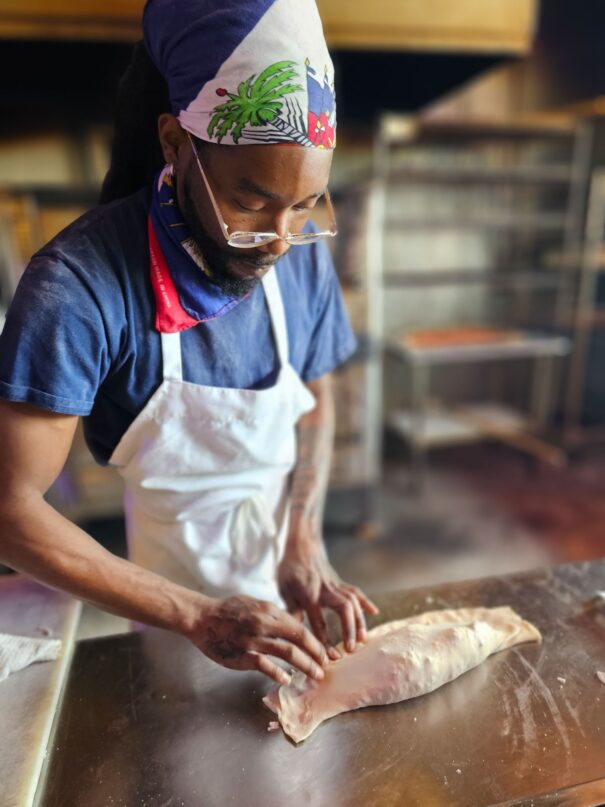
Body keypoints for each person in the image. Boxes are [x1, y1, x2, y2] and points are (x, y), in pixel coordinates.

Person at [0, 0, 378, 686]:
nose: (281, 239)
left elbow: (316, 400)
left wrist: (304, 534)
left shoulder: (299, 256)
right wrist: (199, 616)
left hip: (284, 583)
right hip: (166, 609)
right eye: (251, 200)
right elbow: (9, 508)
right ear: (175, 143)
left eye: (303, 206)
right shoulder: (79, 286)